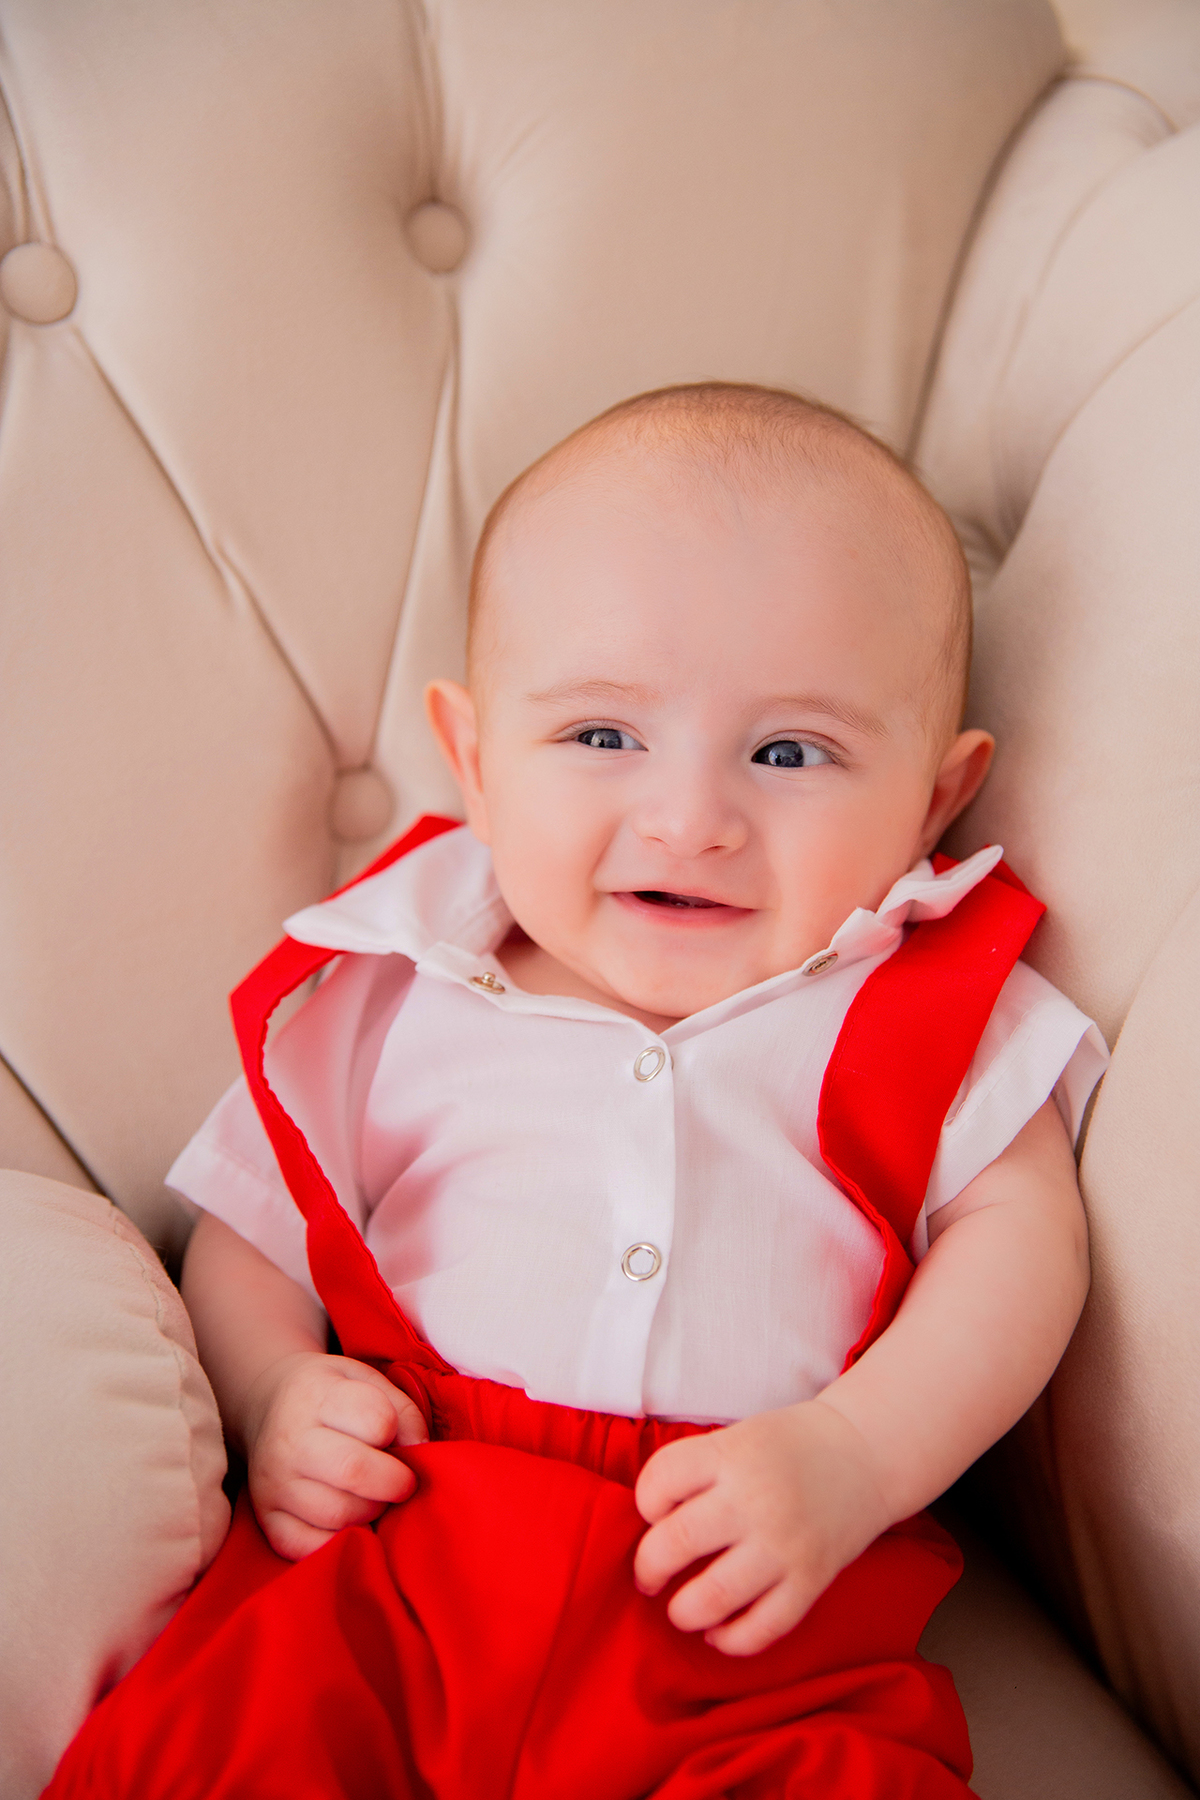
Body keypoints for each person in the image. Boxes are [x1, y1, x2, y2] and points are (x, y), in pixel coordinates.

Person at [45, 384, 1107, 1799]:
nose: (690, 818)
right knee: (222, 1743)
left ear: (933, 797)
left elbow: (1024, 1249)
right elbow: (257, 1223)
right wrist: (276, 1388)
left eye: (789, 753)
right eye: (604, 736)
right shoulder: (388, 975)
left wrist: (855, 1456)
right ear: (476, 760)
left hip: (754, 1606)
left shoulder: (923, 1005)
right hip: (399, 1555)